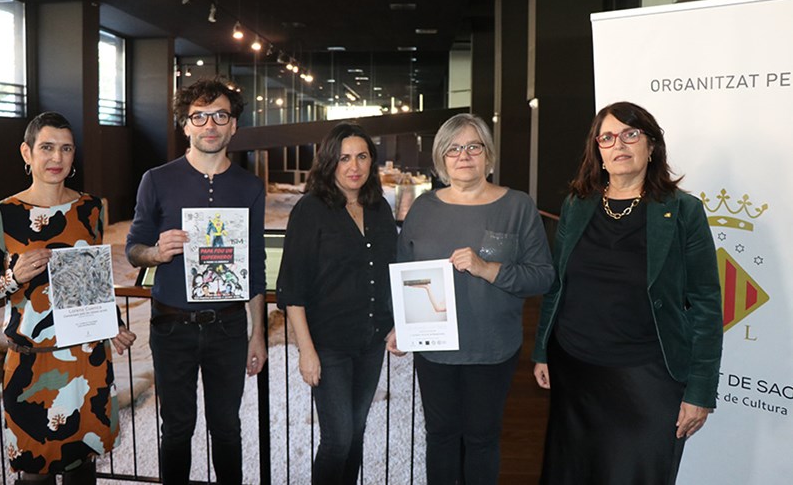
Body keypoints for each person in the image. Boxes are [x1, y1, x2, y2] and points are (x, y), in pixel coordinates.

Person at [532, 101, 723, 485]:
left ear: (651, 146)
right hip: (576, 371)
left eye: (630, 134)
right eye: (607, 137)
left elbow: (706, 302)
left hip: (647, 378)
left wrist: (701, 390)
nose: (618, 144)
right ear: (598, 152)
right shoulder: (577, 204)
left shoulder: (682, 210)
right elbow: (558, 285)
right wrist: (542, 351)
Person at [0, 112, 136, 485]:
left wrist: (113, 322)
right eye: (46, 147)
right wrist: (13, 278)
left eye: (66, 149)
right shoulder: (2, 215)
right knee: (34, 471)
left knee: (82, 465)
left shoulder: (91, 208)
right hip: (32, 363)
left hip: (87, 359)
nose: (57, 157)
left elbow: (92, 278)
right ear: (27, 153)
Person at [387, 113, 555, 485]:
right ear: (441, 158)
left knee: (482, 439)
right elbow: (404, 270)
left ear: (487, 155)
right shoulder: (423, 208)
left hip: (492, 348)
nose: (463, 155)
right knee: (441, 436)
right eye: (453, 149)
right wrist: (402, 323)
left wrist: (487, 268)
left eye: (473, 147)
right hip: (435, 348)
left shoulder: (517, 206)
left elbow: (543, 275)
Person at [125, 77, 267, 485]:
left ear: (233, 125)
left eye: (220, 115)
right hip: (172, 326)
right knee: (176, 429)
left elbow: (254, 264)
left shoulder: (250, 186)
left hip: (228, 327)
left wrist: (257, 334)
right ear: (185, 125)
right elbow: (133, 248)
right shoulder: (156, 179)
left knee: (227, 428)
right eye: (199, 116)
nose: (210, 125)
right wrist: (156, 252)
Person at [276, 123, 398, 485]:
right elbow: (292, 288)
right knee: (338, 438)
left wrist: (400, 323)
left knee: (356, 431)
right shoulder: (310, 210)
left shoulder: (379, 208)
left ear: (372, 161)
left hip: (371, 341)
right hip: (329, 344)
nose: (354, 166)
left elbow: (392, 271)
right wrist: (306, 351)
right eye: (344, 158)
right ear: (330, 162)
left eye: (362, 156)